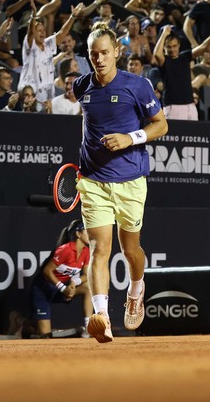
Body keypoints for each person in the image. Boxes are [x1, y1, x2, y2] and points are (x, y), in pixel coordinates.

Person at [73, 21, 169, 343]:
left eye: (104, 53)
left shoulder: (138, 86)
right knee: (100, 248)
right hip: (93, 181)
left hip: (131, 179)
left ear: (117, 51)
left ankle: (136, 287)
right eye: (92, 54)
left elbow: (161, 125)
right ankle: (102, 316)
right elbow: (88, 122)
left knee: (131, 250)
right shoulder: (81, 86)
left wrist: (130, 139)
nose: (98, 59)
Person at [18, 218, 94, 339]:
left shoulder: (86, 251)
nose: (91, 234)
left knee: (88, 287)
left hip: (60, 288)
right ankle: (26, 324)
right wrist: (63, 288)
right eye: (87, 230)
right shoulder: (65, 250)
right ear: (78, 233)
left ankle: (89, 327)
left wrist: (74, 282)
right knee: (45, 335)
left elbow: (86, 275)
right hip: (42, 290)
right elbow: (46, 271)